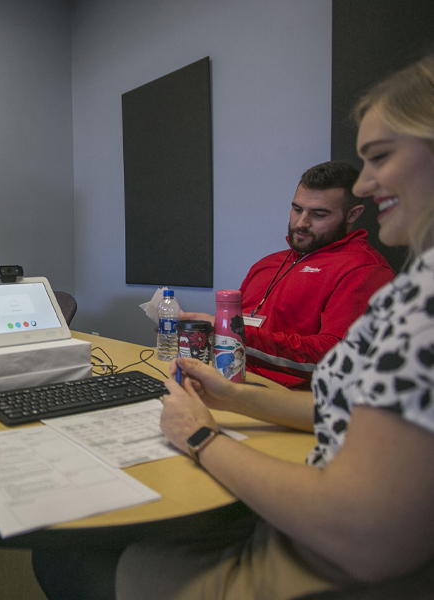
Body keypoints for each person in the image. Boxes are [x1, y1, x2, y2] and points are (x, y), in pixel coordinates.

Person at [106, 54, 434, 599]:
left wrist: (200, 434)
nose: (369, 185)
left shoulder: (394, 286)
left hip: (324, 564)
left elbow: (361, 531)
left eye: (379, 158)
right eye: (296, 210)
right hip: (262, 411)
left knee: (85, 562)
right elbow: (346, 406)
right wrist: (232, 395)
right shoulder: (279, 263)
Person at [181, 161, 394, 389]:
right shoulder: (268, 264)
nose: (301, 223)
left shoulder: (364, 270)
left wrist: (231, 333)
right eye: (297, 209)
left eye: (319, 214)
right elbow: (239, 335)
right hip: (236, 382)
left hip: (294, 402)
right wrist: (204, 336)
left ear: (352, 215)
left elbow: (337, 357)